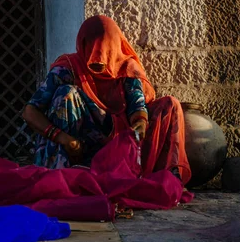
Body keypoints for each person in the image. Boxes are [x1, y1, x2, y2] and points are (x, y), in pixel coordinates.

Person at [22, 15, 191, 184]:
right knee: (65, 94)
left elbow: (137, 105)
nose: (99, 59)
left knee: (170, 104)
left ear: (115, 47)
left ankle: (169, 177)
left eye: (106, 51)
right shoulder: (69, 68)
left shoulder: (126, 68)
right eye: (93, 51)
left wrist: (139, 126)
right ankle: (63, 176)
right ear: (83, 45)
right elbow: (30, 112)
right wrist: (64, 139)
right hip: (78, 146)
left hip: (119, 142)